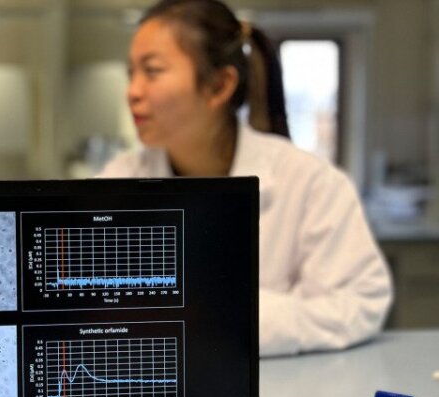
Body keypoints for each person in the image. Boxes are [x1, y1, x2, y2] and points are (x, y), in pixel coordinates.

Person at [99, 0, 392, 356]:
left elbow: (362, 302)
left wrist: (238, 316)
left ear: (219, 86)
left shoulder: (309, 182)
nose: (133, 91)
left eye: (153, 71)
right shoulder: (118, 182)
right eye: (132, 73)